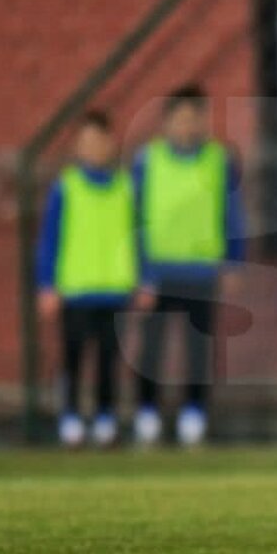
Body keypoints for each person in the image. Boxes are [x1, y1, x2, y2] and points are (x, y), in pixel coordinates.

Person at [134, 85, 245, 446]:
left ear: (202, 121)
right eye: (178, 118)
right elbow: (133, 217)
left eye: (192, 118)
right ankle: (146, 411)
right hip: (159, 269)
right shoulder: (146, 160)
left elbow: (233, 214)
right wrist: (140, 271)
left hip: (202, 269)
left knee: (200, 348)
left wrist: (233, 262)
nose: (185, 126)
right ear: (166, 122)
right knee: (150, 347)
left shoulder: (219, 159)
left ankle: (194, 411)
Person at [37, 112, 153, 447]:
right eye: (86, 142)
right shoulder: (66, 187)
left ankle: (105, 416)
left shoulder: (125, 187)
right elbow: (49, 239)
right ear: (77, 146)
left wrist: (143, 278)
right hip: (75, 288)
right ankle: (71, 416)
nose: (93, 148)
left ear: (110, 143)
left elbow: (138, 236)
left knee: (109, 359)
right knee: (73, 357)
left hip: (114, 289)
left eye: (98, 141)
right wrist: (47, 284)